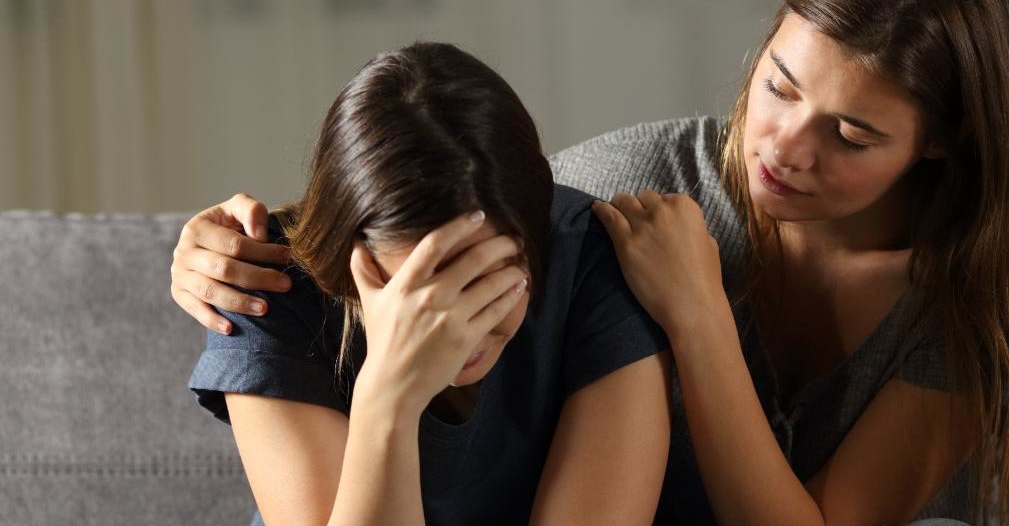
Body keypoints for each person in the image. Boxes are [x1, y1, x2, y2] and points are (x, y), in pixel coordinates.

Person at [170, 0, 1009, 525]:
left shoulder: (985, 307)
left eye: (850, 134)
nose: (785, 147)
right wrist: (215, 247)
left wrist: (697, 316)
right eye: (777, 84)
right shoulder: (621, 192)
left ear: (943, 143)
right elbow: (452, 192)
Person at [183, 43, 673, 525]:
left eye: (485, 284)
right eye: (416, 296)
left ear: (534, 239)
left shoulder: (592, 259)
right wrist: (388, 396)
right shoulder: (261, 280)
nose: (456, 332)